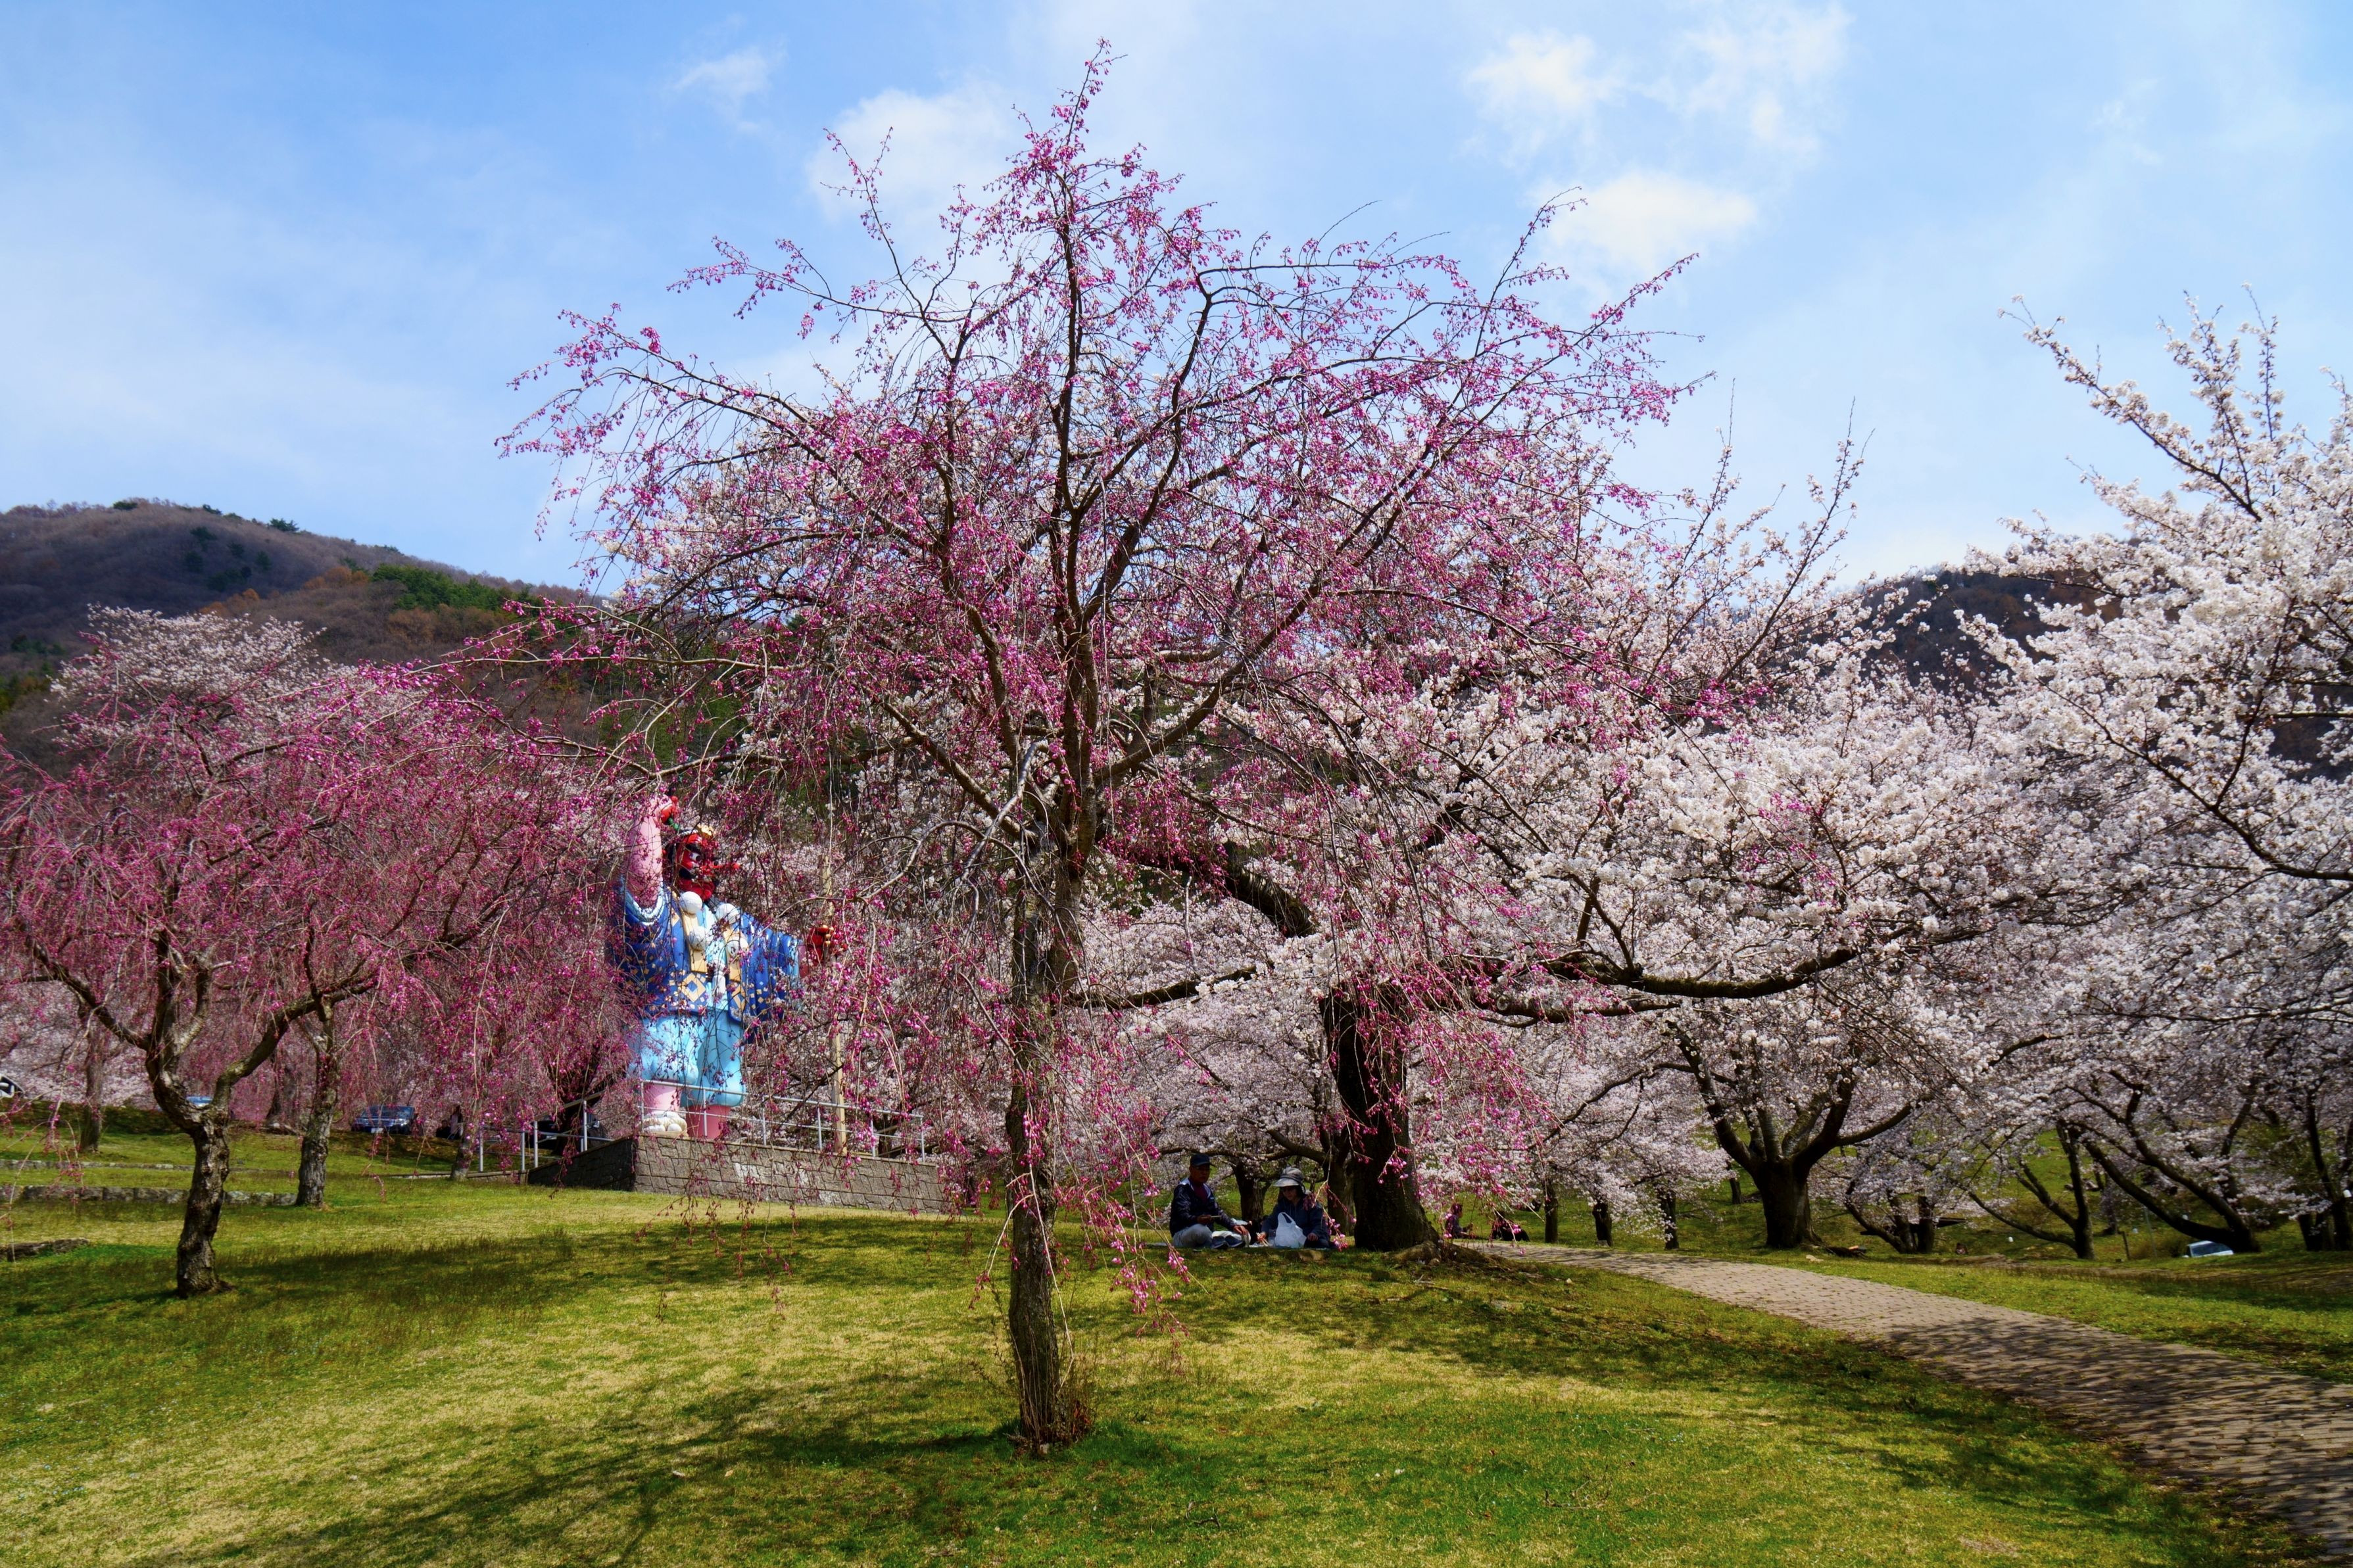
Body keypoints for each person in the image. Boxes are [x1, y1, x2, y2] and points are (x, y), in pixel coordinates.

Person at [609, 796, 804, 1140]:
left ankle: (710, 1145)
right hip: (673, 1002)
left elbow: (772, 951)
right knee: (669, 1058)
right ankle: (662, 1119)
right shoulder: (663, 905)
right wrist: (648, 822)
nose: (704, 866)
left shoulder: (731, 920)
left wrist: (810, 952)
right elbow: (642, 882)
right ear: (672, 859)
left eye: (710, 859)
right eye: (696, 856)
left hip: (726, 1011)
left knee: (720, 1080)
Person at [1168, 1152, 1249, 1248]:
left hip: (1208, 1232)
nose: (1204, 1173)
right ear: (1191, 1169)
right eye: (1200, 1169)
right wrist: (1197, 1219)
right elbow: (1183, 1215)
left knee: (1241, 1235)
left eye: (1207, 1170)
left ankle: (1216, 1243)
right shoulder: (1183, 1189)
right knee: (1200, 1230)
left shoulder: (1207, 1190)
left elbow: (1217, 1212)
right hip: (1184, 1233)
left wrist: (1233, 1226)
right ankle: (1216, 1243)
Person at [1262, 1168, 1338, 1250]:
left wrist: (1314, 1233)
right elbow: (1270, 1221)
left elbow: (1319, 1223)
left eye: (1290, 1189)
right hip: (1290, 1240)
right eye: (1284, 1190)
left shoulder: (1310, 1203)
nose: (1287, 1193)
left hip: (1308, 1238)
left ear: (1298, 1188)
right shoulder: (1282, 1205)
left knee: (1322, 1243)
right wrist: (1264, 1232)